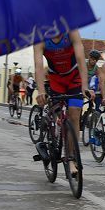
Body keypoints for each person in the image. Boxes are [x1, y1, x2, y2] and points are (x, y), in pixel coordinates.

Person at [32, 29, 89, 177]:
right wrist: (41, 91)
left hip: (74, 76)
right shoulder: (40, 37)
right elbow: (38, 67)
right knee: (57, 115)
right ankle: (53, 134)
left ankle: (70, 157)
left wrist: (85, 86)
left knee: (75, 113)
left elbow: (81, 58)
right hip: (56, 79)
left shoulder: (71, 31)